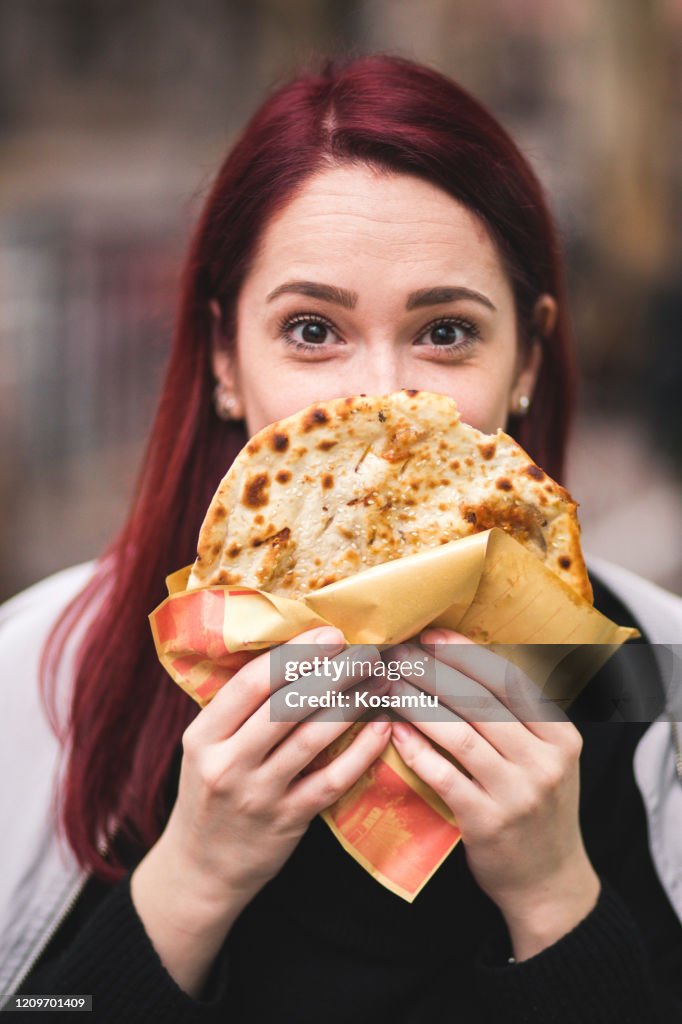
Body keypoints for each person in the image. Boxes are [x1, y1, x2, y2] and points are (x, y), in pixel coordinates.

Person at [1, 53, 680, 1023]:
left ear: (526, 357)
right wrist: (191, 877)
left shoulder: (652, 685)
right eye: (312, 329)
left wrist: (553, 896)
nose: (380, 406)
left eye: (444, 332)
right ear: (224, 359)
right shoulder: (42, 683)